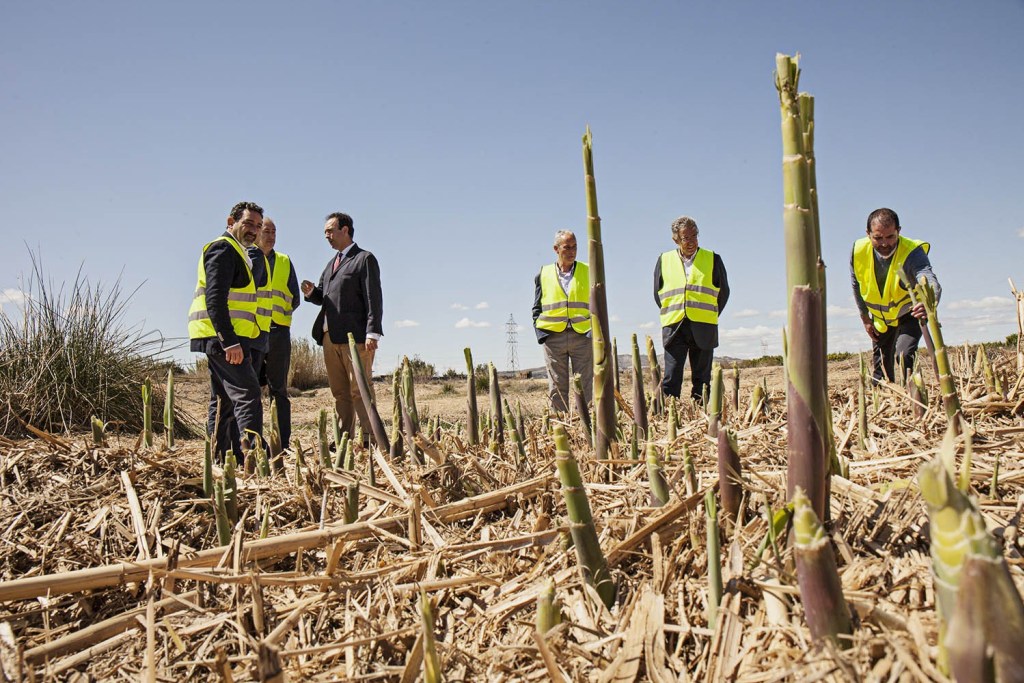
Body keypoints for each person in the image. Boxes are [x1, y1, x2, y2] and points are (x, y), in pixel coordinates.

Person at [187, 201, 265, 462]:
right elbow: (215, 298)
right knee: (248, 395)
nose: (254, 230)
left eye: (258, 226)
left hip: (224, 338)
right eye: (248, 224)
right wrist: (229, 341)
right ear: (231, 222)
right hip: (223, 339)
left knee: (223, 401)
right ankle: (253, 461)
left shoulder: (241, 252)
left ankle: (219, 460)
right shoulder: (223, 248)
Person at [301, 212, 383, 441]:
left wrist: (372, 331)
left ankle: (369, 438)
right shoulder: (331, 265)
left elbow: (373, 297)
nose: (326, 235)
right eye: (325, 232)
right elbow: (324, 298)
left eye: (330, 230)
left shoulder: (364, 259)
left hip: (355, 337)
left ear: (345, 230)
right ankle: (345, 440)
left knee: (360, 390)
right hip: (329, 337)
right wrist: (311, 293)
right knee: (340, 393)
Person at [851, 207, 940, 384]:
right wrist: (865, 318)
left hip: (910, 313)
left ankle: (914, 397)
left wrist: (929, 301)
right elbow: (856, 284)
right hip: (881, 320)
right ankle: (885, 404)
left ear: (898, 231)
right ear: (868, 234)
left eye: (890, 236)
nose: (885, 243)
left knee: (904, 355)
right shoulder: (859, 251)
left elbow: (929, 279)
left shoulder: (912, 252)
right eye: (878, 238)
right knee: (881, 372)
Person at [653, 216, 729, 403]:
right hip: (674, 326)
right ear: (676, 239)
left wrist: (710, 313)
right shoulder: (664, 260)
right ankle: (670, 416)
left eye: (695, 236)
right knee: (671, 376)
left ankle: (702, 415)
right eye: (686, 238)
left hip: (704, 326)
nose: (692, 241)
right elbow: (658, 293)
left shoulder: (713, 259)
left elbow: (724, 292)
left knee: (702, 379)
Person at [532, 230, 593, 412]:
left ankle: (585, 427)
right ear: (556, 249)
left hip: (582, 335)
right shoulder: (543, 274)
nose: (572, 251)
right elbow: (536, 307)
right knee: (557, 387)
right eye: (567, 247)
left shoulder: (588, 271)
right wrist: (542, 334)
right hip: (553, 338)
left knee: (585, 386)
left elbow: (598, 302)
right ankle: (560, 430)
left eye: (574, 247)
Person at [256, 217, 300, 446]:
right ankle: (251, 442)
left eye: (274, 232)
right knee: (250, 389)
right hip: (252, 332)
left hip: (278, 332)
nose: (271, 236)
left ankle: (281, 443)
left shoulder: (284, 261)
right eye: (266, 231)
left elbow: (294, 297)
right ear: (256, 232)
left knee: (279, 390)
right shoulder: (246, 257)